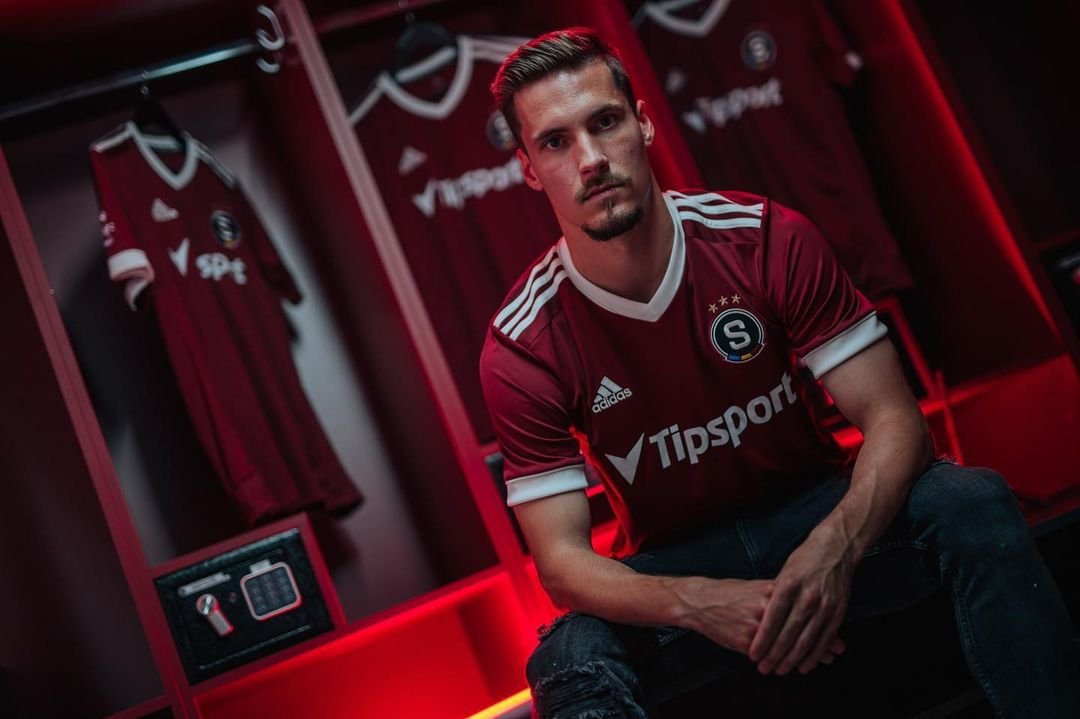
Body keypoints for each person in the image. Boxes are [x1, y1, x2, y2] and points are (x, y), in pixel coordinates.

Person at [479, 28, 1080, 718]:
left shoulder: (764, 237)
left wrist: (833, 550)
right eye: (556, 142)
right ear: (529, 168)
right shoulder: (521, 342)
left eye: (605, 122)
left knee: (970, 501)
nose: (590, 159)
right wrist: (698, 601)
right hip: (674, 563)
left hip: (814, 510)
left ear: (642, 123)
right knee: (565, 658)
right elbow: (561, 563)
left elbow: (895, 419)